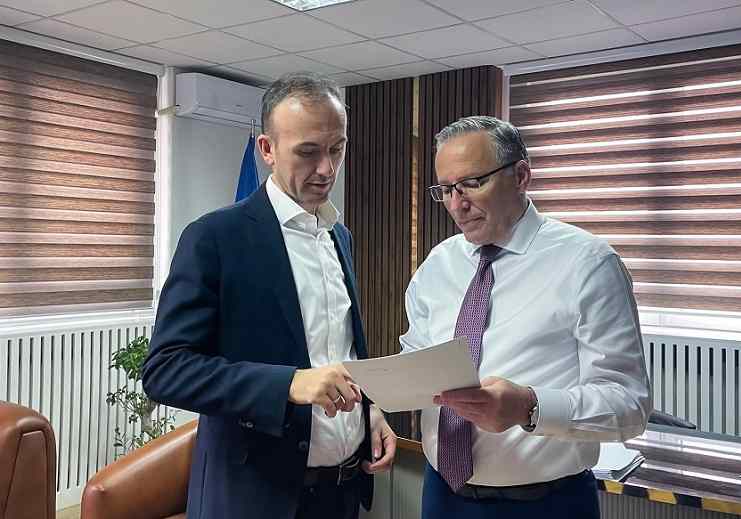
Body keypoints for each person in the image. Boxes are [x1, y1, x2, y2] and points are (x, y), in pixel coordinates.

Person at [142, 72, 396, 519]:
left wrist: (367, 414)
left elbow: (339, 349)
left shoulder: (339, 237)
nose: (327, 169)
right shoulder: (215, 238)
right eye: (308, 152)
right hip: (256, 496)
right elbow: (166, 370)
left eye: (337, 149)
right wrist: (289, 384)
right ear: (267, 149)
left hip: (340, 493)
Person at [400, 116, 652, 519]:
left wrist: (529, 407)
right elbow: (415, 358)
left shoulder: (589, 264)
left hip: (547, 503)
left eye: (472, 183)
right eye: (446, 189)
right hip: (442, 494)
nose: (457, 204)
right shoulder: (438, 264)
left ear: (520, 176)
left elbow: (629, 404)